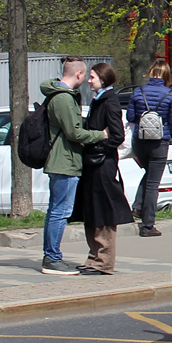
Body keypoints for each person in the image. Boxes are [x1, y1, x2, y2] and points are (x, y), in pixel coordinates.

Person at [40, 57, 107, 275]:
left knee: (56, 210)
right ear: (78, 74)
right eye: (85, 75)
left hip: (62, 161)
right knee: (60, 212)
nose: (86, 79)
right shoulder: (63, 99)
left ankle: (51, 256)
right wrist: (101, 135)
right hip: (64, 161)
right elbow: (74, 133)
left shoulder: (59, 95)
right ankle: (52, 258)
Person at [73, 63, 134, 274]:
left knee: (103, 212)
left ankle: (104, 261)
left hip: (103, 165)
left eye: (92, 77)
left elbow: (117, 135)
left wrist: (99, 146)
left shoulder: (109, 101)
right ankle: (93, 258)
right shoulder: (98, 100)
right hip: (93, 165)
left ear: (103, 79)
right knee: (92, 212)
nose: (89, 81)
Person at [126, 58, 172, 237]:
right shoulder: (170, 94)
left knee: (148, 174)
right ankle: (148, 225)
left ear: (150, 72)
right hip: (159, 141)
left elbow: (131, 117)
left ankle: (138, 207)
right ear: (166, 75)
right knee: (153, 184)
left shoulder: (138, 91)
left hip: (140, 140)